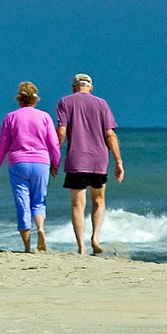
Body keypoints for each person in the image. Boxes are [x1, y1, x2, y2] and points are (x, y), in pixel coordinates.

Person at [56, 73, 124, 255]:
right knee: (99, 200)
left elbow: (62, 131)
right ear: (91, 88)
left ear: (73, 87)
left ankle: (81, 247)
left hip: (76, 160)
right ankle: (95, 237)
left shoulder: (65, 102)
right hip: (98, 160)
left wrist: (54, 154)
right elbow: (110, 134)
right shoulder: (102, 103)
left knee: (78, 205)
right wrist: (118, 161)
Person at [0, 81, 61, 253]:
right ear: (35, 99)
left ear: (19, 99)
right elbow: (53, 144)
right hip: (41, 162)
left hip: (18, 163)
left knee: (23, 203)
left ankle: (27, 248)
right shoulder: (44, 117)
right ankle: (41, 229)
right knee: (39, 200)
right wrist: (56, 163)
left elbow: (2, 145)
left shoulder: (11, 117)